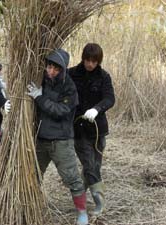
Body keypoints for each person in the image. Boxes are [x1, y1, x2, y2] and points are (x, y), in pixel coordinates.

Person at [27, 49, 88, 225]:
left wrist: (39, 98)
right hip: (41, 139)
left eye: (56, 69)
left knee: (72, 178)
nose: (51, 71)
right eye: (49, 67)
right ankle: (32, 206)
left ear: (63, 69)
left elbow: (60, 111)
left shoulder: (69, 88)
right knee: (34, 175)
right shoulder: (42, 79)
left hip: (61, 140)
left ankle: (82, 213)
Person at [69, 43, 115, 216]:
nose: (90, 64)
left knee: (94, 166)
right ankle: (99, 203)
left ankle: (78, 194)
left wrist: (97, 109)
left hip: (98, 131)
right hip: (78, 130)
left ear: (98, 61)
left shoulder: (104, 77)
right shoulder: (71, 74)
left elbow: (110, 98)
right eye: (87, 60)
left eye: (94, 61)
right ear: (83, 58)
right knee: (89, 166)